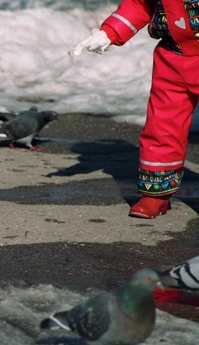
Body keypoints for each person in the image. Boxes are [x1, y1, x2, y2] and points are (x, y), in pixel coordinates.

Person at [71, 0, 199, 219]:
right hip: (172, 57)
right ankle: (156, 193)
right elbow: (140, 4)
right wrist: (110, 32)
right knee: (161, 126)